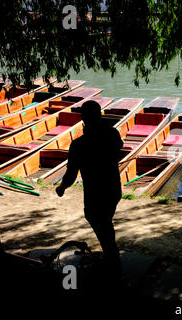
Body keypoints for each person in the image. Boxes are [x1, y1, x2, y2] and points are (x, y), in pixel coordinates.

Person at [56, 100, 123, 277]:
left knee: (97, 218)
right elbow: (118, 151)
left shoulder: (78, 145)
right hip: (113, 189)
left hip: (95, 193)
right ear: (100, 115)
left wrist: (62, 187)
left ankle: (111, 257)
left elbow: (71, 175)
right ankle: (111, 254)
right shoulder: (112, 134)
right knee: (105, 220)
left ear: (83, 119)